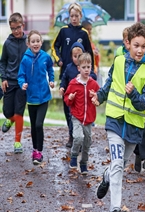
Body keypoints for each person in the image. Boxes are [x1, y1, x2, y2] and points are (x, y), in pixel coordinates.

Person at [93, 22, 145, 212]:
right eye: (136, 45)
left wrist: (134, 95)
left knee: (119, 166)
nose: (139, 50)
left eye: (143, 46)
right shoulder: (118, 61)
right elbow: (110, 83)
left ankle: (106, 176)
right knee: (118, 164)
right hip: (114, 121)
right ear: (128, 44)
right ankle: (115, 211)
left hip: (134, 127)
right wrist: (99, 97)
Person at [51, 2, 94, 147]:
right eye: (72, 16)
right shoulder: (63, 31)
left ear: (81, 16)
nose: (74, 18)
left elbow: (89, 54)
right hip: (66, 74)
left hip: (81, 75)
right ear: (69, 16)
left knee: (80, 105)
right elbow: (54, 47)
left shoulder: (84, 33)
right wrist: (59, 60)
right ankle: (71, 135)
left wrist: (91, 72)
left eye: (77, 16)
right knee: (67, 106)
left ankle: (80, 134)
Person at [18, 30, 54, 164]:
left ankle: (40, 151)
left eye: (38, 41)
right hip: (31, 98)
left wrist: (51, 79)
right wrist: (22, 84)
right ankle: (35, 150)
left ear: (41, 42)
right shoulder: (25, 59)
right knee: (33, 126)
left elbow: (50, 68)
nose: (35, 43)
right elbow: (20, 75)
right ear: (28, 44)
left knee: (39, 124)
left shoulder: (45, 57)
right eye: (33, 41)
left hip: (44, 97)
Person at [64, 53, 99, 174]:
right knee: (78, 137)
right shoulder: (74, 83)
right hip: (76, 116)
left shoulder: (93, 84)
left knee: (87, 142)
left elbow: (99, 98)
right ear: (78, 68)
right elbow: (66, 99)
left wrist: (95, 98)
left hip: (89, 119)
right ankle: (74, 156)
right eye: (84, 67)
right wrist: (71, 98)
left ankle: (84, 163)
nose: (86, 70)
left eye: (88, 67)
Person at [59, 42, 97, 145]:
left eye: (79, 56)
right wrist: (62, 87)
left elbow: (93, 76)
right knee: (72, 117)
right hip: (72, 98)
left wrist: (88, 78)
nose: (77, 58)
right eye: (74, 56)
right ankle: (72, 137)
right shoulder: (69, 67)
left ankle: (83, 138)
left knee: (82, 119)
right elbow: (64, 78)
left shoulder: (85, 67)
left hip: (83, 98)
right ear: (71, 56)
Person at [0, 13, 27, 153]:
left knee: (19, 112)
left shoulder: (28, 42)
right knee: (8, 111)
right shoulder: (8, 43)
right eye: (13, 28)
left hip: (23, 83)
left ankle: (17, 142)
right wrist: (3, 78)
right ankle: (9, 119)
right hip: (9, 81)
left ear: (23, 25)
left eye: (18, 27)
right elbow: (3, 62)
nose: (16, 31)